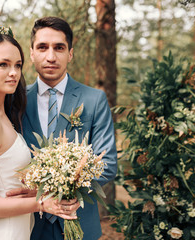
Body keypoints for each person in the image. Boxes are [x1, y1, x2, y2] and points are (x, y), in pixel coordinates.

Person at [0, 24, 79, 240]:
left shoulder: (4, 117)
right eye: (3, 64)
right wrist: (42, 204)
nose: (13, 73)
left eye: (18, 65)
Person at [7, 17, 118, 240]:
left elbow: (108, 164)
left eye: (59, 48)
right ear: (31, 53)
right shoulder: (14, 101)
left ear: (70, 53)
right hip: (28, 224)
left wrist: (70, 191)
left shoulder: (94, 99)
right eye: (42, 47)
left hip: (79, 223)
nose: (50, 56)